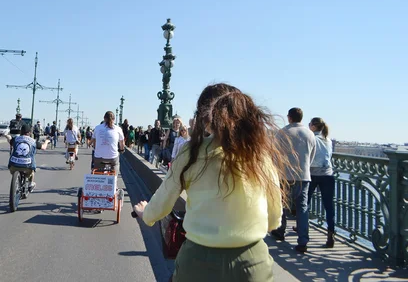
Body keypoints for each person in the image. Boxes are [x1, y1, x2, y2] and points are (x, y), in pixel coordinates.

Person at [133, 84, 289, 281]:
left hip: (198, 262)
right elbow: (274, 218)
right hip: (251, 265)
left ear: (205, 118)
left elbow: (163, 202)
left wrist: (146, 213)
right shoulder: (259, 154)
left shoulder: (191, 152)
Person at [270, 107, 316, 253]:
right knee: (302, 208)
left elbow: (275, 154)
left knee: (283, 204)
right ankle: (303, 240)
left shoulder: (283, 132)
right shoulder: (309, 134)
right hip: (304, 176)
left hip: (285, 174)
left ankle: (280, 231)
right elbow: (312, 155)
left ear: (289, 117)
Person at [308, 117, 335, 248]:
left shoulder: (312, 138)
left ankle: (303, 228)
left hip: (313, 173)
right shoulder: (328, 140)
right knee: (329, 206)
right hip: (328, 174)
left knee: (304, 202)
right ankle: (331, 233)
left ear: (313, 126)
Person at [9, 123, 45, 192]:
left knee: (14, 170)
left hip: (13, 166)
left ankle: (17, 182)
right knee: (32, 171)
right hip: (27, 166)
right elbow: (43, 147)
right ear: (29, 133)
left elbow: (10, 141)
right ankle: (30, 184)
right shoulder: (33, 141)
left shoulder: (16, 139)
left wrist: (7, 137)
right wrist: (46, 141)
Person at [90, 112, 124, 182]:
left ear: (104, 118)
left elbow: (93, 140)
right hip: (112, 157)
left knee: (97, 171)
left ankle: (99, 181)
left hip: (99, 157)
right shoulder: (118, 129)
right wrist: (121, 149)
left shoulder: (97, 128)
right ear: (114, 119)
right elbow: (122, 142)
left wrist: (94, 146)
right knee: (116, 164)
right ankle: (114, 182)